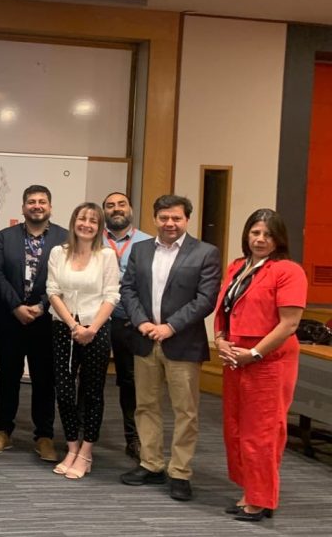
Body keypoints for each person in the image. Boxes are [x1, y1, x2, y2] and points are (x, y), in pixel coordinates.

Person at [118, 195, 221, 502]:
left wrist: (170, 326)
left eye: (176, 218)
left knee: (185, 411)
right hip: (145, 340)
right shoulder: (140, 250)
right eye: (164, 218)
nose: (170, 223)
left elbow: (205, 299)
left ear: (187, 219)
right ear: (155, 219)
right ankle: (151, 464)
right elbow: (128, 289)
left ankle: (180, 472)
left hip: (183, 343)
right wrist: (141, 322)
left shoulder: (205, 253)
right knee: (146, 406)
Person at [214, 209, 306, 522]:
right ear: (247, 235)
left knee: (262, 432)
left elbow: (289, 324)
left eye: (268, 234)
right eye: (255, 232)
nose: (260, 239)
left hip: (269, 360)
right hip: (235, 358)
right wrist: (220, 339)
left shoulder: (288, 271)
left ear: (278, 239)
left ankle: (261, 499)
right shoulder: (238, 266)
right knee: (236, 429)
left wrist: (254, 353)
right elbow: (224, 309)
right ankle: (250, 491)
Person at [0, 185, 68, 461]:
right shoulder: (4, 237)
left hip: (47, 321)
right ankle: (3, 431)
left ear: (50, 207)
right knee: (7, 376)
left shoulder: (64, 238)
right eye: (31, 201)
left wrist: (42, 305)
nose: (37, 206)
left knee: (45, 380)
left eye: (42, 201)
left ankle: (44, 436)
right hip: (10, 320)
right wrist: (16, 306)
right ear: (23, 207)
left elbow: (65, 278)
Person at [45, 203, 119, 479]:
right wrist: (74, 325)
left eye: (93, 220)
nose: (86, 224)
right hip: (64, 327)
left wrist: (91, 328)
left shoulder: (106, 256)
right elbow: (53, 291)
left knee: (92, 392)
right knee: (64, 392)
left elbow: (111, 295)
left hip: (96, 329)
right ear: (73, 221)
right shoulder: (58, 252)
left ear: (99, 227)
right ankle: (72, 447)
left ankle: (86, 451)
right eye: (82, 218)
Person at [101, 191, 153, 460]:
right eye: (110, 206)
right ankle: (83, 434)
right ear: (104, 212)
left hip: (129, 321)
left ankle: (133, 438)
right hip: (96, 320)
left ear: (130, 209)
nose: (116, 209)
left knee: (130, 381)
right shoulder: (93, 239)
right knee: (89, 379)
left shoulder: (147, 243)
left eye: (121, 204)